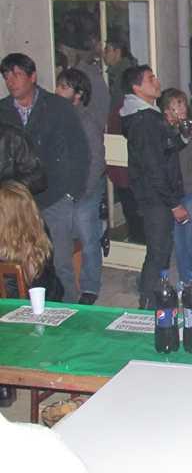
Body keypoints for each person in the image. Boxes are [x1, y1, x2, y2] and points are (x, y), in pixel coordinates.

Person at [0, 53, 89, 303]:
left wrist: (71, 193)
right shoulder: (3, 110)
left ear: (33, 76)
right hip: (14, 206)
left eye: (17, 74)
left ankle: (69, 313)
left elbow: (80, 151)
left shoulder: (58, 107)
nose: (11, 81)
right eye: (6, 76)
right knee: (17, 264)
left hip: (54, 199)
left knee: (60, 263)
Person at [120, 65, 188, 309]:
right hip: (155, 197)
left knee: (161, 249)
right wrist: (174, 204)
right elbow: (154, 168)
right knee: (158, 252)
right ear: (137, 87)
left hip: (155, 194)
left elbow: (164, 151)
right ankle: (148, 304)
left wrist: (181, 136)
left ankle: (156, 296)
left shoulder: (149, 115)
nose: (157, 82)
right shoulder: (144, 120)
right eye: (151, 79)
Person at [55, 68, 106, 305]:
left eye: (64, 87)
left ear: (78, 94)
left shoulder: (86, 121)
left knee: (88, 238)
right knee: (62, 240)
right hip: (63, 189)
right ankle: (66, 288)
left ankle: (90, 287)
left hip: (86, 188)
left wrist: (83, 192)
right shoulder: (57, 117)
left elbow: (96, 161)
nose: (57, 91)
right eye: (58, 85)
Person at [160, 89, 192, 284]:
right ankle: (184, 277)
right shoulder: (165, 131)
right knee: (178, 238)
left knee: (191, 235)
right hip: (174, 191)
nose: (179, 109)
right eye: (174, 106)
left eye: (181, 104)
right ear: (166, 111)